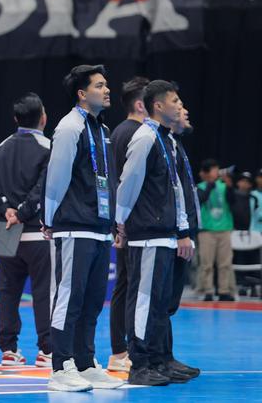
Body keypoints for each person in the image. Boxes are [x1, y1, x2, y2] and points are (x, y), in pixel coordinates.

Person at [43, 65, 123, 391]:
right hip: (75, 227)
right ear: (81, 93)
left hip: (99, 227)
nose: (107, 90)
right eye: (100, 85)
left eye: (107, 85)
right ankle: (61, 367)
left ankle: (86, 363)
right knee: (69, 299)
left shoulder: (102, 130)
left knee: (92, 301)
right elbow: (57, 177)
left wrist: (113, 221)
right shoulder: (69, 127)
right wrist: (49, 218)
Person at [116, 80, 195, 386]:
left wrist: (181, 229)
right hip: (147, 234)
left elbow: (174, 191)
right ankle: (140, 364)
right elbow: (128, 182)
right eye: (174, 100)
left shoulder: (165, 139)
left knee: (160, 303)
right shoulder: (145, 138)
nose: (179, 105)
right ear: (158, 106)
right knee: (144, 301)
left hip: (165, 234)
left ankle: (160, 359)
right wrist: (120, 222)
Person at [0, 93, 52, 367]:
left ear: (15, 119)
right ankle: (47, 349)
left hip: (4, 228)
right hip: (36, 231)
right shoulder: (49, 148)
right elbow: (45, 187)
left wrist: (5, 210)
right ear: (43, 118)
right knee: (45, 291)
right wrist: (21, 212)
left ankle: (8, 350)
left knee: (8, 292)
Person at [108, 76, 149, 373]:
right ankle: (122, 350)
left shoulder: (118, 132)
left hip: (126, 220)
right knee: (129, 287)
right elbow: (123, 181)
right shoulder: (136, 133)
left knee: (125, 286)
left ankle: (122, 349)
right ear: (140, 104)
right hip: (132, 222)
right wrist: (121, 221)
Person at [162, 106, 201, 379]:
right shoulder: (160, 143)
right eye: (177, 104)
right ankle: (154, 359)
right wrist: (181, 231)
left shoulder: (175, 145)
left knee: (170, 301)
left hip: (183, 231)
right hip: (173, 233)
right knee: (161, 301)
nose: (185, 111)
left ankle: (166, 356)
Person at [196, 158, 236, 301]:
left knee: (225, 263)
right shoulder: (200, 186)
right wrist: (210, 183)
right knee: (206, 263)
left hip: (224, 229)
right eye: (214, 170)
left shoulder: (224, 186)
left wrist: (230, 186)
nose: (217, 172)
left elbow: (233, 202)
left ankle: (224, 290)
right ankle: (208, 290)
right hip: (207, 230)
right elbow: (202, 199)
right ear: (207, 173)